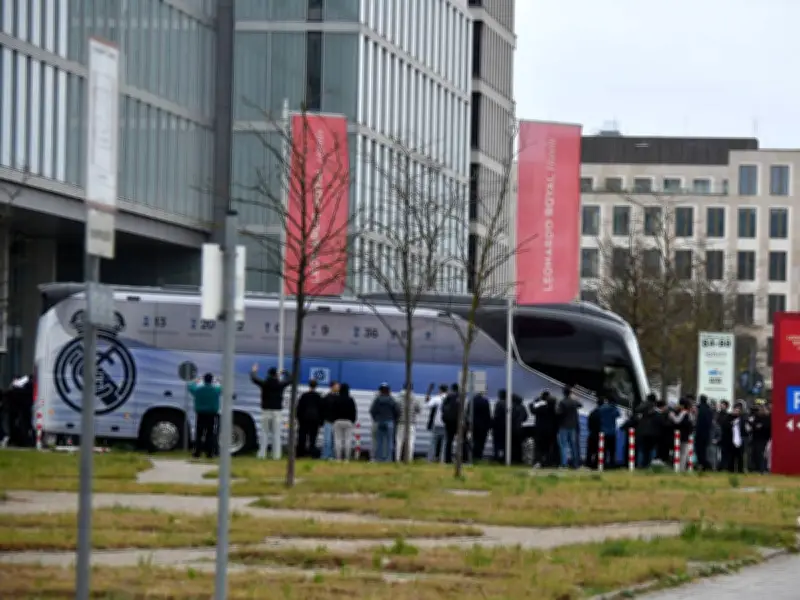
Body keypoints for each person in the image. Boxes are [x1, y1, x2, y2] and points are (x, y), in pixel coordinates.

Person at [250, 365, 291, 460]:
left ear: (268, 374)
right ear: (276, 375)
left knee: (264, 433)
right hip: (277, 411)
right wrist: (285, 372)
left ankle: (262, 454)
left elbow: (254, 379)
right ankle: (276, 455)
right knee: (276, 433)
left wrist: (254, 371)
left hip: (266, 410)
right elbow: (290, 379)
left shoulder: (264, 384)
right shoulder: (280, 384)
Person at [188, 373, 221, 459]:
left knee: (199, 434)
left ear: (204, 380)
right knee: (210, 434)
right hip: (211, 414)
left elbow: (190, 387)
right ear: (211, 380)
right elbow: (222, 387)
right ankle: (209, 453)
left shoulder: (198, 390)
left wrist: (196, 381)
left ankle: (197, 453)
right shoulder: (215, 390)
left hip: (200, 414)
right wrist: (218, 381)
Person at [370, 383, 399, 462]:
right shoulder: (391, 400)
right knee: (389, 441)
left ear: (380, 391)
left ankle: (378, 458)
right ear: (388, 390)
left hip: (379, 421)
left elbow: (372, 411)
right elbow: (397, 411)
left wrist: (376, 419)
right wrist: (394, 420)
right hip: (389, 421)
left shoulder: (377, 400)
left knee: (379, 441)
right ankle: (388, 458)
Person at [395, 383, 422, 462]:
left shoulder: (398, 398)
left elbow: (396, 409)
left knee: (399, 441)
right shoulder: (414, 398)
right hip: (411, 423)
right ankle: (409, 459)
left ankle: (397, 459)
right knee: (410, 442)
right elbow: (419, 410)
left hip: (401, 422)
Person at [557, 385, 582, 468]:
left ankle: (564, 464)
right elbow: (580, 405)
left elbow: (558, 413)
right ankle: (575, 464)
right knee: (573, 446)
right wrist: (574, 397)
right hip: (573, 426)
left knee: (564, 445)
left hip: (564, 426)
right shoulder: (574, 402)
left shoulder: (562, 402)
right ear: (570, 393)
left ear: (563, 393)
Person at [296, 379, 323, 458]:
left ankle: (300, 453)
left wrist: (299, 419)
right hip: (315, 420)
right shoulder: (318, 396)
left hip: (304, 419)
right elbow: (321, 409)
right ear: (316, 386)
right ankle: (312, 454)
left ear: (309, 385)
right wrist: (320, 421)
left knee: (302, 437)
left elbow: (299, 408)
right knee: (313, 438)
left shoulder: (304, 396)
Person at [331, 383, 357, 461]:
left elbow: (333, 410)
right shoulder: (350, 399)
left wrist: (334, 419)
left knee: (337, 440)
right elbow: (354, 411)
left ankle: (338, 458)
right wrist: (352, 420)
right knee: (348, 440)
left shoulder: (336, 398)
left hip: (338, 421)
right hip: (348, 422)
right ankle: (346, 459)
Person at [597, 394, 620, 468]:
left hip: (603, 431)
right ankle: (612, 464)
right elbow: (618, 415)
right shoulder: (614, 408)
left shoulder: (602, 408)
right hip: (612, 432)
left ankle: (602, 464)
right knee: (612, 451)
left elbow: (599, 415)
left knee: (603, 449)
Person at [426, 384, 448, 462]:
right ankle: (442, 460)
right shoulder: (449, 398)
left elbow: (428, 405)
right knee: (444, 443)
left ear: (440, 390)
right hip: (446, 424)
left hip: (437, 423)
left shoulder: (437, 398)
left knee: (433, 442)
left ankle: (430, 459)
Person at [470, 389, 492, 463]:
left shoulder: (471, 401)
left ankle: (472, 456)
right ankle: (478, 456)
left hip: (473, 425)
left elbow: (467, 413)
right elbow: (488, 414)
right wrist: (489, 426)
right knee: (481, 442)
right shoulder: (485, 401)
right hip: (483, 426)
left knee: (473, 441)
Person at [441, 383, 461, 463]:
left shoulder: (448, 396)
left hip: (448, 421)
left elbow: (443, 407)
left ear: (452, 388)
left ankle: (447, 458)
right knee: (460, 440)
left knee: (449, 440)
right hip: (457, 421)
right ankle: (459, 457)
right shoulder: (460, 397)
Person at [750, 402, 771, 474]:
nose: (761, 410)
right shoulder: (756, 417)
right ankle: (755, 468)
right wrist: (757, 426)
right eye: (760, 409)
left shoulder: (768, 417)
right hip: (756, 438)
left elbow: (767, 426)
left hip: (765, 439)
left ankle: (763, 469)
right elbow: (753, 425)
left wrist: (760, 426)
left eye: (763, 409)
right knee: (755, 454)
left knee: (763, 454)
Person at [320, 382, 339, 460]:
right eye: (337, 386)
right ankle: (326, 455)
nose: (338, 388)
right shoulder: (327, 397)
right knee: (327, 440)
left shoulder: (337, 397)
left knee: (334, 440)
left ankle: (332, 455)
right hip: (328, 421)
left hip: (334, 421)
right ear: (332, 387)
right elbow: (322, 409)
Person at [694, 395, 714, 470]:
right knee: (704, 451)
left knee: (699, 451)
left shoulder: (699, 409)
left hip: (699, 434)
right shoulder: (709, 410)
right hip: (706, 434)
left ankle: (704, 465)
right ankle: (704, 465)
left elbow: (697, 422)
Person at [728, 402, 746, 473]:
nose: (736, 411)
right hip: (732, 440)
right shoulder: (729, 417)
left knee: (740, 456)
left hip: (740, 439)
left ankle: (740, 470)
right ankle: (731, 470)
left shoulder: (743, 419)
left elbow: (745, 430)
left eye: (738, 410)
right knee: (732, 456)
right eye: (735, 410)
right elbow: (725, 425)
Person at [492, 390, 508, 463]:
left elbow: (496, 415)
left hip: (498, 427)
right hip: (505, 426)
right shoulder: (508, 403)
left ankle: (496, 457)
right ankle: (504, 457)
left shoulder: (499, 403)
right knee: (504, 444)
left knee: (497, 444)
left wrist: (492, 424)